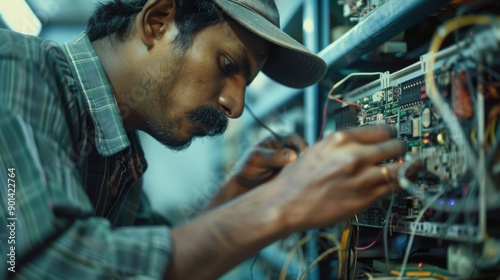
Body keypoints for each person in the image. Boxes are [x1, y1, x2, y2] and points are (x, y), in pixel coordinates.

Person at [0, 0, 406, 279]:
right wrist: (281, 204)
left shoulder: (120, 148)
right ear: (157, 21)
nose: (236, 105)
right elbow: (41, 265)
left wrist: (234, 194)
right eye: (228, 64)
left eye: (246, 83)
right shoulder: (16, 71)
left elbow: (141, 253)